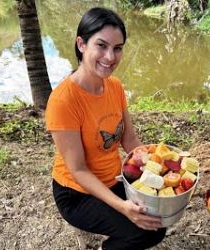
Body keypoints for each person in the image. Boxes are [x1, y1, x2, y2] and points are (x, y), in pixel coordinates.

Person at [44, 7, 166, 250]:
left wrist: (156, 165)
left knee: (155, 224)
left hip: (114, 179)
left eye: (117, 48)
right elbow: (78, 170)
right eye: (101, 45)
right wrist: (123, 207)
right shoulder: (63, 101)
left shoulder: (115, 87)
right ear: (81, 44)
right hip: (76, 193)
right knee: (141, 232)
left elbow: (129, 140)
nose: (110, 57)